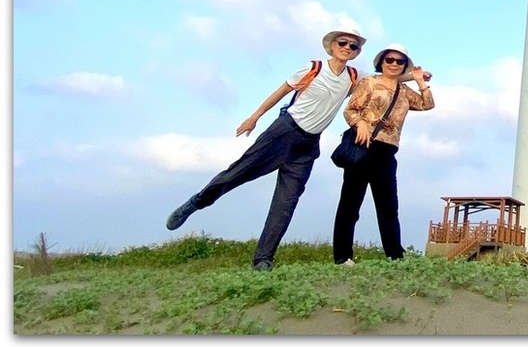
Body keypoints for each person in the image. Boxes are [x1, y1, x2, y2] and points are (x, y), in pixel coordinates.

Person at [164, 27, 374, 271]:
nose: (347, 48)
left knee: (286, 203)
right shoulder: (313, 68)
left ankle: (263, 259)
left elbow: (386, 77)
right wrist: (254, 117)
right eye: (343, 42)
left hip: (308, 146)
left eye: (353, 46)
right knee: (236, 174)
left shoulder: (353, 76)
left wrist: (413, 75)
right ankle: (195, 203)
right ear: (332, 45)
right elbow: (281, 91)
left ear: (358, 52)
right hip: (283, 132)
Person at [332, 43, 434, 265]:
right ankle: (342, 256)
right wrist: (360, 124)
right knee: (350, 204)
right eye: (390, 59)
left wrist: (419, 81)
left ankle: (395, 256)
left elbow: (427, 104)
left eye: (400, 61)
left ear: (405, 65)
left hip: (387, 152)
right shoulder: (369, 82)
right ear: (381, 62)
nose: (394, 64)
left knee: (388, 207)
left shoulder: (405, 91)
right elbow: (350, 109)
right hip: (363, 145)